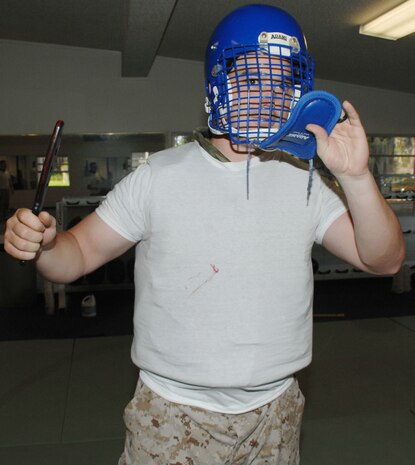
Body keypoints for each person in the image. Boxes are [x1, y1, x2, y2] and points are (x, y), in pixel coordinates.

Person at [3, 4, 405, 465]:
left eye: (284, 83)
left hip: (276, 412)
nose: (270, 96)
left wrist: (355, 177)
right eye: (254, 79)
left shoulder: (305, 179)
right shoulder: (159, 176)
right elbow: (75, 257)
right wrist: (45, 243)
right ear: (220, 82)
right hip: (173, 415)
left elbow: (385, 260)